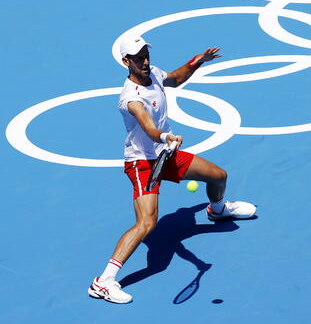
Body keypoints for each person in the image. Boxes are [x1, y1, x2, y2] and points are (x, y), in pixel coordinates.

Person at [88, 36, 256, 303]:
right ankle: (103, 282)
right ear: (125, 62)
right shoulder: (131, 98)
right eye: (138, 57)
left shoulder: (152, 73)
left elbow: (175, 79)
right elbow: (149, 128)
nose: (144, 61)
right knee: (147, 223)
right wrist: (165, 137)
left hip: (165, 156)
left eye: (146, 54)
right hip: (143, 163)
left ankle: (218, 210)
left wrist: (197, 61)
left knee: (218, 176)